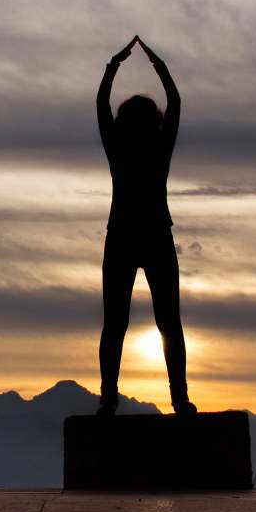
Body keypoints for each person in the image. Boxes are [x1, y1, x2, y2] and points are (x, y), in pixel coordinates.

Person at [95, 35, 194, 416]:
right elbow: (176, 102)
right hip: (153, 236)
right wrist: (157, 63)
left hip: (123, 236)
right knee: (168, 322)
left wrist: (114, 66)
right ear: (155, 121)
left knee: (115, 324)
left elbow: (101, 105)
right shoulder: (157, 148)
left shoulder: (119, 149)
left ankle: (109, 398)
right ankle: (179, 398)